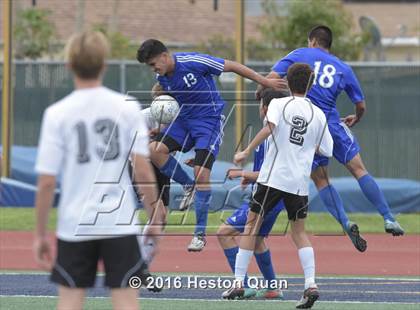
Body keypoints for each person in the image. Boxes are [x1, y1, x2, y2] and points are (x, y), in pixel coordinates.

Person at [33, 31, 165, 310]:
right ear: (104, 65)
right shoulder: (127, 107)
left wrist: (40, 234)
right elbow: (142, 170)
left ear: (69, 65)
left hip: (75, 224)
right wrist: (154, 215)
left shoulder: (57, 113)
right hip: (118, 221)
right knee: (126, 299)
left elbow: (46, 182)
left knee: (70, 299)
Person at [136, 39, 286, 251]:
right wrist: (161, 128)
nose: (154, 69)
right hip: (184, 120)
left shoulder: (193, 61)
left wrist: (265, 82)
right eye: (150, 66)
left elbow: (233, 66)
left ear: (164, 55)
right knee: (154, 151)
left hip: (209, 121)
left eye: (153, 64)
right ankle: (189, 186)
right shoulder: (161, 78)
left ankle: (199, 234)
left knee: (202, 174)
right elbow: (172, 100)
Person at [257, 25, 404, 240]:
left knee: (322, 181)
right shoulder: (343, 67)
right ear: (328, 44)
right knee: (359, 170)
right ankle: (388, 217)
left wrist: (260, 91)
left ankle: (345, 221)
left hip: (309, 126)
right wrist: (356, 117)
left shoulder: (300, 54)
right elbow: (361, 105)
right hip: (333, 125)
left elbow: (270, 78)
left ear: (313, 41)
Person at [223, 63, 333, 309]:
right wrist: (305, 146)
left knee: (251, 227)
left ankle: (239, 282)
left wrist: (246, 151)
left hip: (272, 178)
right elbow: (327, 149)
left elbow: (269, 128)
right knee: (299, 233)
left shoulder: (278, 104)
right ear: (311, 84)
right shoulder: (319, 114)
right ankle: (311, 284)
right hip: (298, 183)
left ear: (287, 81)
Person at [218, 89, 289, 300]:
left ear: (266, 109)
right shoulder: (278, 135)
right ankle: (272, 288)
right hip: (274, 198)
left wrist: (242, 172)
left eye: (260, 105)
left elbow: (272, 174)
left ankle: (243, 285)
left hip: (267, 198)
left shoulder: (270, 137)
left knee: (224, 233)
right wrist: (249, 177)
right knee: (256, 239)